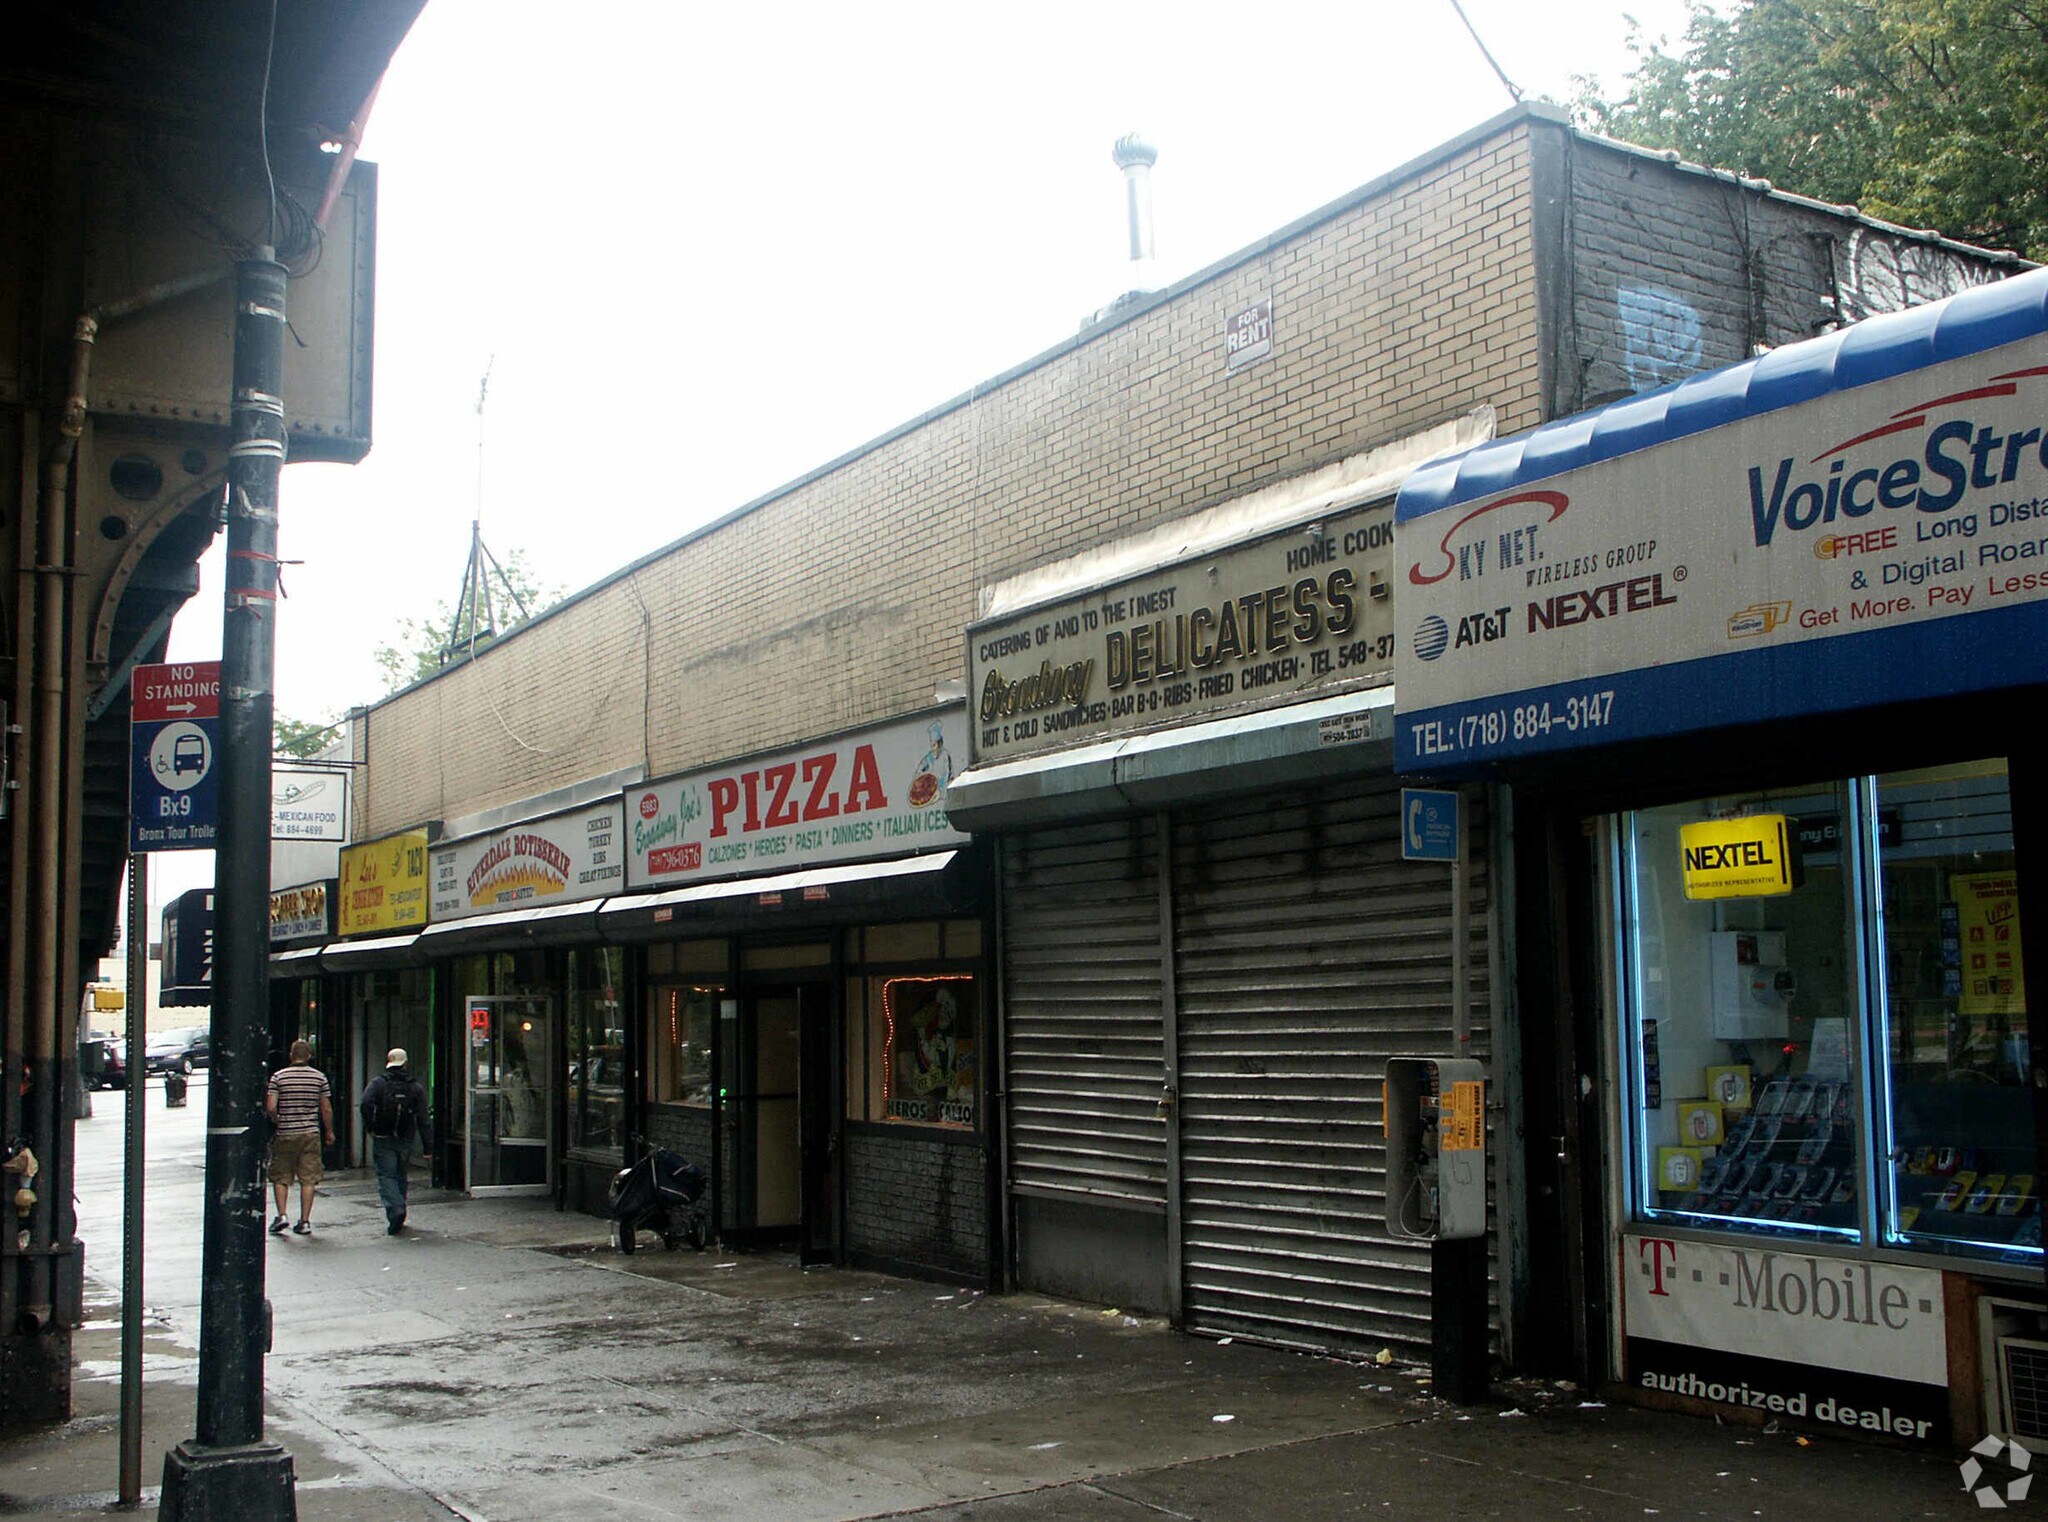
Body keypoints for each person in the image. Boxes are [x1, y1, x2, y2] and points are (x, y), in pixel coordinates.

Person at [265, 1039, 335, 1236]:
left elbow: (271, 1107)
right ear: (309, 1056)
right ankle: (304, 1221)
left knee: (281, 1176)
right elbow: (326, 1107)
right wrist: (329, 1131)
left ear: (291, 1055)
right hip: (310, 1133)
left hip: (286, 1133)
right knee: (308, 1178)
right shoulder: (319, 1078)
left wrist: (278, 1119)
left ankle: (282, 1215)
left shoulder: (278, 1077)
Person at [360, 1048, 431, 1236]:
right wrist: (427, 1145)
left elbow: (366, 1103)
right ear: (406, 1063)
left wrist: (372, 1127)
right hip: (406, 1137)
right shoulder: (415, 1087)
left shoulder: (378, 1083)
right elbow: (423, 1118)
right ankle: (401, 1208)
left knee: (386, 1175)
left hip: (383, 1136)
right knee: (400, 1174)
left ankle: (395, 1209)